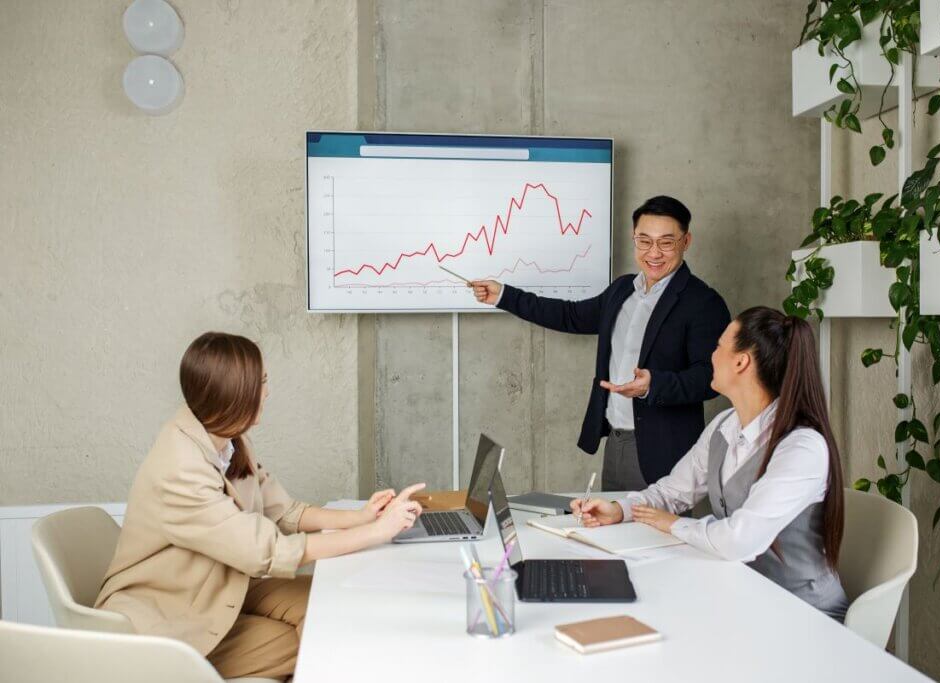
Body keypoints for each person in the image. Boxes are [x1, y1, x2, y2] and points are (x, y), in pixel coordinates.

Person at [95, 332, 425, 680]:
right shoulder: (180, 469)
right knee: (322, 636)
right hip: (170, 621)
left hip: (224, 584)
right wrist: (375, 533)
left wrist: (360, 518)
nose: (267, 391)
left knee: (336, 602)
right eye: (262, 381)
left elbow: (283, 511)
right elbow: (270, 552)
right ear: (234, 393)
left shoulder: (229, 439)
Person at [571, 307, 849, 620]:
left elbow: (739, 539)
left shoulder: (802, 448)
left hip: (804, 612)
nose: (711, 355)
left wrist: (673, 524)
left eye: (718, 346)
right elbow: (673, 492)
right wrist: (620, 510)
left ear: (741, 361)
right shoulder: (724, 425)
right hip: (744, 595)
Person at [470, 195, 730, 490]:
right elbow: (570, 315)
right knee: (611, 534)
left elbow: (711, 378)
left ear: (686, 241)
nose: (653, 252)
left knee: (661, 535)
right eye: (644, 241)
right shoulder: (622, 290)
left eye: (666, 242)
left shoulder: (703, 302)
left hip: (666, 452)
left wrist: (653, 385)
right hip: (616, 443)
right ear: (634, 240)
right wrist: (504, 295)